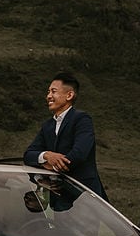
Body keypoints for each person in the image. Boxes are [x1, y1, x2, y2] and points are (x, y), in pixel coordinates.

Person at [23, 72, 107, 200]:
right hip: (59, 199)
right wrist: (46, 156)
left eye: (53, 91)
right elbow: (28, 155)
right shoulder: (48, 126)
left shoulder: (81, 119)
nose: (48, 96)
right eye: (48, 92)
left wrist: (53, 166)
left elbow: (79, 153)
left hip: (85, 196)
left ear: (69, 95)